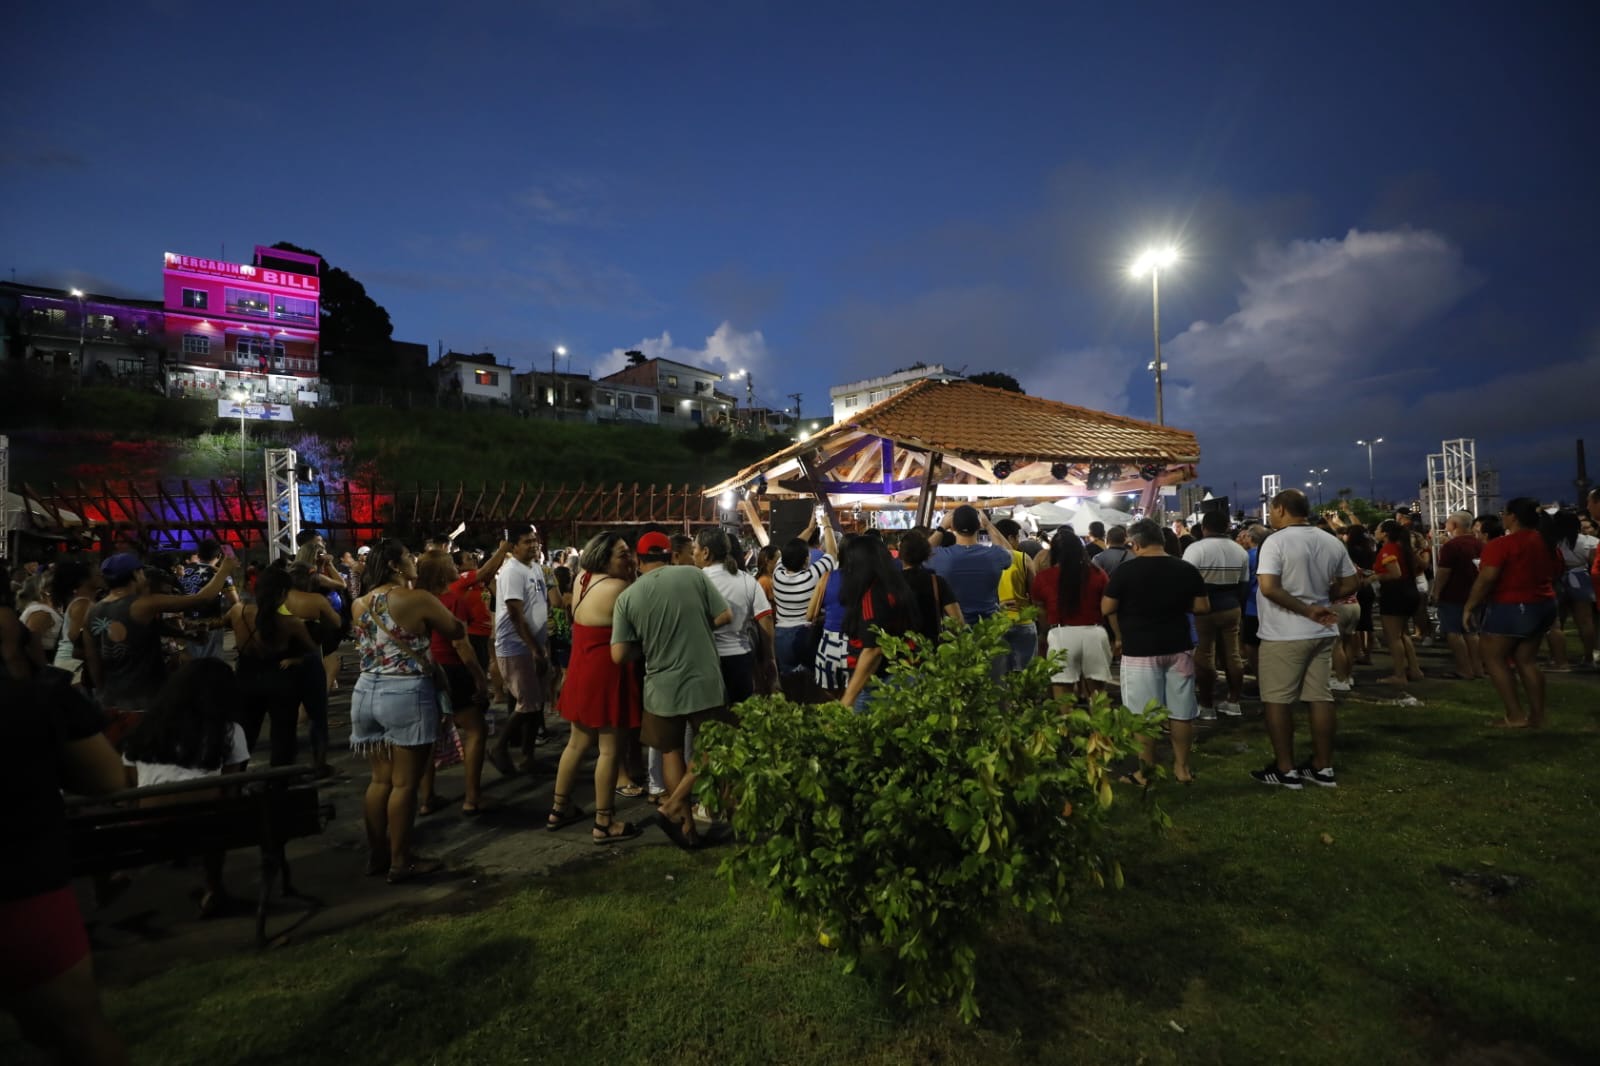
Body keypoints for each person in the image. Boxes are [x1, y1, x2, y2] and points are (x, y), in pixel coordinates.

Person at [1, 668, 129, 1066]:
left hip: (24, 889)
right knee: (77, 1034)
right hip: (22, 890)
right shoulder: (31, 697)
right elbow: (109, 778)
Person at [349, 539, 466, 882]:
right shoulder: (417, 599)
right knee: (404, 785)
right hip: (405, 693)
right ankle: (401, 861)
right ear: (396, 566)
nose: (414, 561)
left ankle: (378, 854)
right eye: (409, 557)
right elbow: (455, 629)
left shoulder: (359, 603)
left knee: (379, 780)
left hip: (366, 690)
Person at [611, 531, 731, 850]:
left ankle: (686, 825)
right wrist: (697, 631)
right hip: (703, 679)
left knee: (670, 751)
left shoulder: (628, 597)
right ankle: (674, 804)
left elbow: (619, 654)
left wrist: (646, 647)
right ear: (670, 555)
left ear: (639, 560)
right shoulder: (694, 575)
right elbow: (724, 615)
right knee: (714, 744)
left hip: (661, 686)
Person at [121, 659, 252, 917]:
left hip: (148, 822)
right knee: (219, 810)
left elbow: (129, 784)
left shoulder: (144, 730)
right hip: (205, 824)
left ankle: (119, 876)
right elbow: (232, 787)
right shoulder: (228, 731)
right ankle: (214, 886)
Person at [1250, 489, 1362, 790]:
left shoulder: (1275, 541)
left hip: (1284, 632)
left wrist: (1306, 608)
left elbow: (1269, 587)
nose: (1271, 515)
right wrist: (1324, 598)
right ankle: (1322, 767)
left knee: (1277, 699)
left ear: (1281, 509)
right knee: (1320, 697)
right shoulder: (1329, 540)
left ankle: (1286, 769)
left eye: (1272, 509)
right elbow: (1353, 581)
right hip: (1321, 632)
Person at [547, 532, 645, 842]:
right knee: (609, 750)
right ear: (604, 558)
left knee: (576, 744)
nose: (629, 558)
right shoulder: (619, 588)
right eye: (622, 554)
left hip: (580, 669)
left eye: (629, 552)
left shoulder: (582, 579)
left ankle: (558, 809)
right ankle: (604, 822)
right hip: (606, 673)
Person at [84, 551, 238, 745]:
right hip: (145, 701)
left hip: (110, 701)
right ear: (136, 575)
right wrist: (224, 570)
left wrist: (183, 634)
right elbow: (202, 598)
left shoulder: (92, 612)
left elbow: (94, 664)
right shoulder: (143, 604)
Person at [1102, 519, 1209, 784]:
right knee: (1182, 711)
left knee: (1142, 714)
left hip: (1140, 650)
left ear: (1135, 543)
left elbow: (1106, 608)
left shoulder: (1126, 571)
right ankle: (1182, 769)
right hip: (1178, 645)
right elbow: (1202, 607)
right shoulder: (1185, 568)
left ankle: (1145, 772)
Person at [1464, 498, 1561, 729]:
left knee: (1493, 657)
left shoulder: (1503, 545)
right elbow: (1557, 571)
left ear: (1513, 517)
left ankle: (1515, 715)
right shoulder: (1547, 543)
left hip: (1513, 605)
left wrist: (1470, 606)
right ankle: (1537, 716)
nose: (1502, 517)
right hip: (1543, 603)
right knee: (1526, 661)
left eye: (1504, 513)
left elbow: (1487, 577)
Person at [415, 551, 494, 816]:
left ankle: (427, 798)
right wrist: (480, 678)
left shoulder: (415, 600)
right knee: (475, 729)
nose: (455, 566)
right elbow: (461, 643)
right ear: (441, 572)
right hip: (451, 668)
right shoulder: (452, 600)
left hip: (425, 670)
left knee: (428, 736)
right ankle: (472, 797)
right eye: (449, 563)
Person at [225, 565, 318, 766]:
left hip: (246, 679)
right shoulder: (291, 622)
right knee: (283, 738)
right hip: (280, 680)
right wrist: (297, 658)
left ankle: (233, 785)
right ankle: (278, 786)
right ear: (284, 593)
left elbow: (222, 623)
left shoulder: (237, 612)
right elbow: (312, 649)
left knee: (244, 736)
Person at [489, 525, 551, 777]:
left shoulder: (534, 567)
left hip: (533, 645)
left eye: (535, 540)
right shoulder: (512, 571)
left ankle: (529, 756)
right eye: (526, 541)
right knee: (527, 702)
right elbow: (515, 613)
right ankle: (499, 747)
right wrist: (535, 648)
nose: (533, 545)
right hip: (516, 646)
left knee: (535, 703)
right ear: (513, 546)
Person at [695, 527, 773, 709]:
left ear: (706, 552)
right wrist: (769, 660)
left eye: (695, 550)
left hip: (707, 659)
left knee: (707, 722)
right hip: (741, 661)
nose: (693, 555)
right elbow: (766, 620)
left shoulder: (696, 580)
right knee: (739, 720)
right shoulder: (747, 580)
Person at [1183, 511, 1251, 717]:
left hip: (1203, 609)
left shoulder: (1196, 549)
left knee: (1204, 656)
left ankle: (1207, 705)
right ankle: (1233, 701)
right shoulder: (1240, 551)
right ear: (1227, 527)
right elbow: (1244, 584)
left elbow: (1185, 581)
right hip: (1231, 607)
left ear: (1204, 528)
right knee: (1232, 655)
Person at [1032, 525, 1112, 700]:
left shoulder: (1044, 577)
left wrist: (1045, 633)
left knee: (1063, 695)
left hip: (1061, 633)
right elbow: (1107, 605)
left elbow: (1041, 610)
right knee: (1098, 696)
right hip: (1094, 632)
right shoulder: (1098, 574)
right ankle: (1099, 728)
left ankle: (1064, 727)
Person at [837, 536, 915, 711]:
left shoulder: (872, 596)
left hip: (880, 684)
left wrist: (847, 700)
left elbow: (873, 649)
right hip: (901, 677)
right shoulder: (895, 586)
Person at [771, 516, 838, 677]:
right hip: (804, 633)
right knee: (810, 682)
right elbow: (833, 554)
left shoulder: (777, 574)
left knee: (789, 683)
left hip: (781, 635)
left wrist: (809, 529)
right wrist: (827, 525)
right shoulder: (811, 576)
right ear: (806, 560)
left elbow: (789, 549)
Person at [926, 505, 1014, 626]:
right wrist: (988, 525)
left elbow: (919, 553)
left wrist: (941, 528)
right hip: (989, 629)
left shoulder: (940, 556)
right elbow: (1011, 553)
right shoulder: (995, 555)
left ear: (952, 527)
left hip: (954, 630)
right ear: (979, 525)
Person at [1431, 511, 1484, 680]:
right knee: (1471, 631)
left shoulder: (1452, 546)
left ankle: (1464, 669)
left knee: (1453, 632)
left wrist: (1436, 592)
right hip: (1475, 593)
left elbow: (1444, 572)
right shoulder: (1480, 544)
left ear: (1454, 525)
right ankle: (1477, 668)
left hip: (1453, 594)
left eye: (1447, 522)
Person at [1373, 520, 1424, 685]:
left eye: (1378, 529)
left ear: (1385, 534)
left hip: (1395, 594)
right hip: (1409, 591)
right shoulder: (1403, 548)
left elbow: (1395, 574)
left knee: (1393, 637)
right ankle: (1415, 670)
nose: (1375, 531)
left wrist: (1374, 577)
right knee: (1403, 634)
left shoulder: (1389, 549)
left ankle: (1399, 675)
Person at [1547, 510, 1597, 670]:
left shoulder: (1552, 542)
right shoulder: (1590, 541)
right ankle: (1589, 657)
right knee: (1585, 621)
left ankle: (1557, 657)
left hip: (1558, 580)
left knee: (1556, 623)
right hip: (1581, 579)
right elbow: (1593, 563)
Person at [177, 538, 239, 661]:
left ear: (198, 555)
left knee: (191, 664)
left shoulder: (183, 571)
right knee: (211, 664)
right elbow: (235, 601)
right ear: (219, 556)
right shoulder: (220, 574)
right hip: (211, 626)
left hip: (186, 625)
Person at [992, 517, 1039, 673]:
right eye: (1018, 537)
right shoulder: (1024, 559)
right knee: (1024, 674)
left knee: (1000, 675)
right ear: (1011, 538)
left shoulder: (986, 559)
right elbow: (1034, 592)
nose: (1019, 541)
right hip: (1023, 620)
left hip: (997, 622)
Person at [899, 530, 961, 641]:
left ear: (901, 554)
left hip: (899, 648)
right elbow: (958, 623)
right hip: (931, 649)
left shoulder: (891, 582)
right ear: (926, 555)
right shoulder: (937, 581)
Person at [19, 574, 64, 664]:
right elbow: (32, 643)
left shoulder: (44, 608)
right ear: (44, 590)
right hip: (44, 660)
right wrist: (45, 668)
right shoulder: (41, 611)